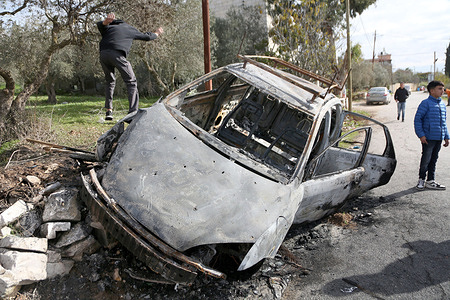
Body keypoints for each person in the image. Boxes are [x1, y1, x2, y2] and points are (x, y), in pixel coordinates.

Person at [97, 13, 163, 120]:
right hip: (117, 54)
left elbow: (100, 25)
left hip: (103, 54)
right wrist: (156, 33)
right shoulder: (129, 29)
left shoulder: (109, 28)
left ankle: (109, 111)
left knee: (110, 81)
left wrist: (106, 22)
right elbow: (146, 37)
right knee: (131, 82)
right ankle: (132, 112)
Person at [413, 80, 449, 190]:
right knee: (426, 159)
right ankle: (421, 180)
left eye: (443, 89)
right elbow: (417, 120)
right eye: (439, 89)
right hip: (428, 138)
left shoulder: (442, 104)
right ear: (432, 90)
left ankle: (430, 180)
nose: (442, 91)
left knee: (434, 159)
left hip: (439, 137)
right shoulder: (425, 103)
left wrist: (447, 136)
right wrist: (421, 135)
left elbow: (443, 122)